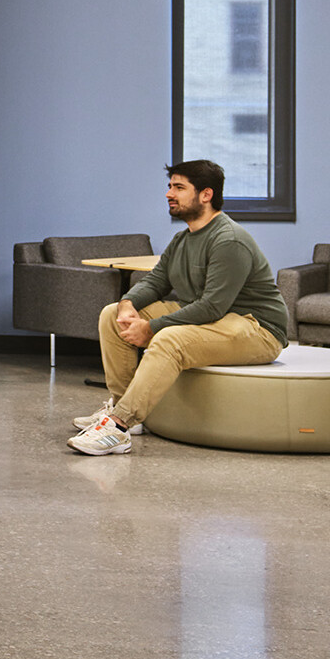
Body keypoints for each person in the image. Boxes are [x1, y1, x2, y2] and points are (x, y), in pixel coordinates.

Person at [67, 158, 292, 455]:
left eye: (179, 187)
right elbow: (156, 282)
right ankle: (123, 412)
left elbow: (212, 306)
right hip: (214, 317)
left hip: (255, 327)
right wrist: (126, 303)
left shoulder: (229, 240)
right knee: (111, 315)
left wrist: (150, 328)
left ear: (206, 195)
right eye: (169, 186)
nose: (169, 194)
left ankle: (118, 428)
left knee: (169, 338)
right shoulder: (182, 239)